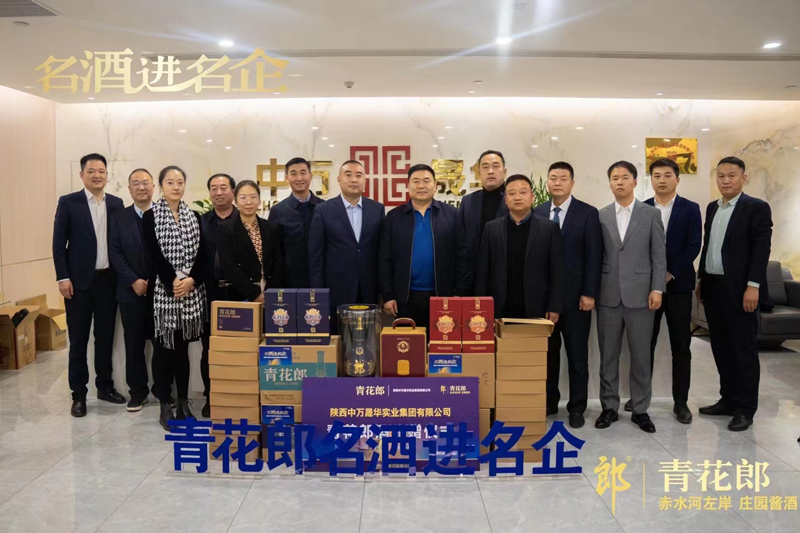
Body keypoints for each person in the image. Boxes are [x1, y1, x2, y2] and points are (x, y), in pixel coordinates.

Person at [622, 158, 701, 424]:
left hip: (678, 286)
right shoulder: (641, 208)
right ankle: (640, 396)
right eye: (656, 175)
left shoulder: (690, 208)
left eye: (668, 175)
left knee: (681, 346)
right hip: (647, 289)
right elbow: (636, 248)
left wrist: (668, 272)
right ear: (650, 180)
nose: (662, 180)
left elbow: (693, 245)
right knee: (644, 345)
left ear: (677, 179)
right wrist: (653, 277)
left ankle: (681, 402)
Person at [697, 156, 772, 432]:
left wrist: (753, 285)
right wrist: (700, 278)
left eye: (731, 175)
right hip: (713, 287)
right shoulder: (712, 207)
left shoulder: (756, 208)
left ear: (744, 178)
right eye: (721, 176)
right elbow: (708, 246)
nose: (725, 180)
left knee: (743, 349)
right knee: (721, 347)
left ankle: (746, 408)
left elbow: (761, 249)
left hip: (741, 290)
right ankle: (728, 400)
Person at [595, 161, 666, 434]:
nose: (619, 182)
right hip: (608, 295)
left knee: (641, 356)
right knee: (608, 356)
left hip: (642, 296)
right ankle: (609, 407)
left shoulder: (650, 214)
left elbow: (659, 255)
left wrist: (657, 289)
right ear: (610, 183)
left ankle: (640, 409)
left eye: (625, 177)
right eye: (615, 178)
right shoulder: (600, 215)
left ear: (635, 182)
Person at [53, 153, 125, 418]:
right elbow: (58, 244)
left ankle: (104, 387)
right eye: (92, 171)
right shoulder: (69, 202)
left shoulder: (116, 203)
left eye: (101, 171)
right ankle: (78, 395)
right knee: (78, 342)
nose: (97, 175)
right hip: (78, 284)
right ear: (82, 174)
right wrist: (62, 277)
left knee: (105, 339)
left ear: (107, 175)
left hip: (108, 282)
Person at [534, 162, 602, 429]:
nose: (557, 183)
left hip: (577, 300)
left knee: (577, 356)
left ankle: (577, 407)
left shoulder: (587, 213)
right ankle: (550, 402)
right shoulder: (538, 212)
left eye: (563, 178)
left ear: (572, 183)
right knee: (548, 355)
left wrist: (589, 292)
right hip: (546, 300)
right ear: (547, 182)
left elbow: (594, 256)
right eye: (553, 178)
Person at [143, 166, 208, 430]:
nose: (176, 186)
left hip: (190, 293)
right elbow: (154, 254)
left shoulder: (194, 216)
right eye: (170, 182)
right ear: (161, 186)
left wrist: (191, 281)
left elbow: (203, 254)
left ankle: (183, 403)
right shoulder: (150, 216)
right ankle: (164, 404)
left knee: (182, 351)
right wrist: (173, 282)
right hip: (163, 294)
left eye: (180, 182)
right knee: (162, 350)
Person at [379, 163, 470, 329]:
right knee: (407, 343)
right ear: (408, 186)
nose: (421, 186)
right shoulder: (393, 217)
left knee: (441, 342)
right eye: (416, 181)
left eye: (426, 181)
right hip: (404, 298)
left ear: (435, 186)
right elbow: (384, 259)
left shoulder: (451, 214)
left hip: (443, 296)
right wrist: (388, 295)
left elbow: (462, 256)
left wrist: (459, 293)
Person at [474, 174, 564, 323]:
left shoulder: (549, 228)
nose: (517, 197)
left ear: (532, 197)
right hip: (500, 305)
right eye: (512, 193)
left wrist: (554, 306)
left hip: (537, 306)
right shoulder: (491, 228)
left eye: (523, 192)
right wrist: (480, 305)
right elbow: (483, 271)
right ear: (505, 199)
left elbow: (557, 271)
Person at [308, 160, 385, 327]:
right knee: (338, 337)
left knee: (368, 337)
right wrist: (318, 293)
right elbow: (316, 256)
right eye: (348, 175)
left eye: (359, 175)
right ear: (339, 179)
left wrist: (383, 290)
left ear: (365, 180)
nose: (354, 180)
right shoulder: (323, 210)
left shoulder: (377, 209)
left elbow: (382, 252)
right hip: (336, 290)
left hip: (369, 289)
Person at [109, 168, 155, 412]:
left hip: (160, 292)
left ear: (153, 187)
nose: (141, 187)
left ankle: (163, 390)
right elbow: (114, 253)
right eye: (136, 183)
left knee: (163, 344)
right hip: (130, 292)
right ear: (129, 189)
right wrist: (134, 280)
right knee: (133, 343)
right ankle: (137, 392)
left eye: (145, 182)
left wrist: (155, 282)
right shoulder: (119, 218)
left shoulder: (165, 214)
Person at [198, 173, 237, 418]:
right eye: (214, 188)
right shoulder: (200, 222)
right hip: (209, 292)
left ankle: (238, 394)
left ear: (233, 191)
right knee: (209, 348)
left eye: (224, 187)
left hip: (239, 293)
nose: (219, 192)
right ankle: (211, 396)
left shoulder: (245, 220)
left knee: (240, 347)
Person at [219, 180, 284, 301]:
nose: (248, 202)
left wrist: (269, 292)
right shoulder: (226, 229)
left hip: (269, 294)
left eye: (253, 197)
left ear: (259, 200)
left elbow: (277, 262)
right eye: (243, 198)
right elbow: (229, 265)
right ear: (235, 201)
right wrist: (254, 294)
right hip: (241, 294)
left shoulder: (271, 228)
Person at [268, 157, 324, 288]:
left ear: (310, 176)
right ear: (287, 178)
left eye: (303, 173)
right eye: (293, 174)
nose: (299, 178)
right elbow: (274, 251)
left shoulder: (324, 207)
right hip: (289, 282)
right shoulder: (278, 211)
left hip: (321, 279)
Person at [458, 150, 509, 292]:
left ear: (504, 171)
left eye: (496, 166)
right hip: (472, 280)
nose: (491, 171)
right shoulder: (468, 202)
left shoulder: (514, 201)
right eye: (485, 167)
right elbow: (461, 244)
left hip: (506, 281)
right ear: (479, 172)